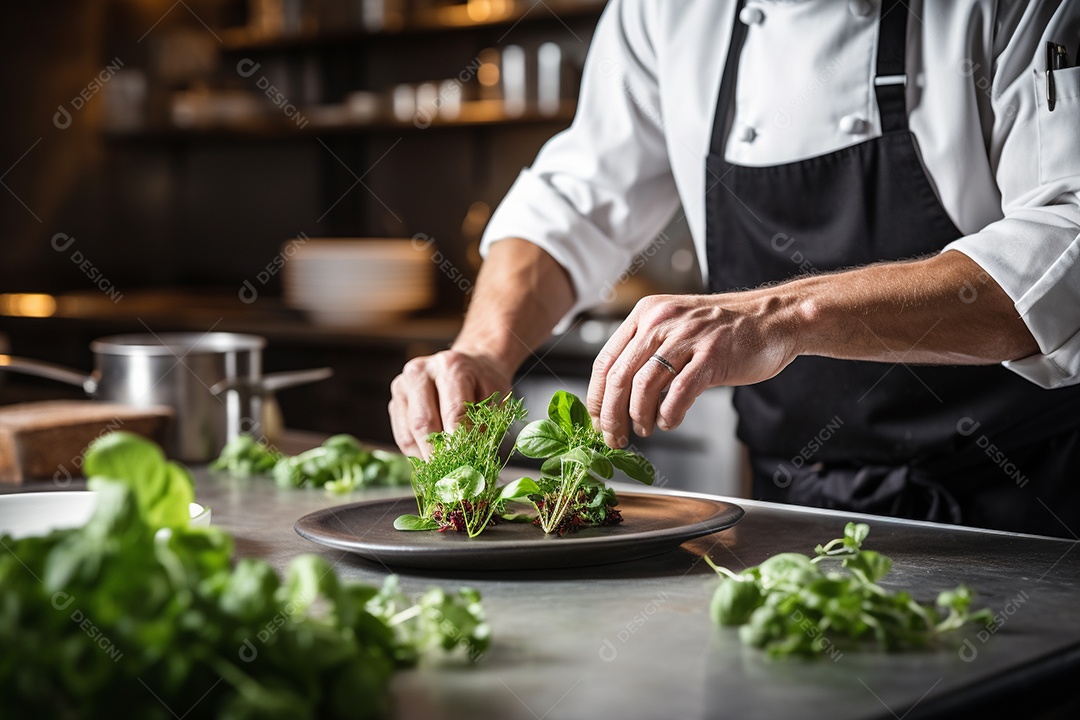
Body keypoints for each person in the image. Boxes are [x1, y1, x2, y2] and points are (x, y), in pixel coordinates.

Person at [389, 0, 1080, 538]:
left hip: (1023, 496)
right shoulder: (665, 12)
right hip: (790, 499)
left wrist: (783, 317)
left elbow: (1064, 241)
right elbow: (577, 201)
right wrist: (483, 348)